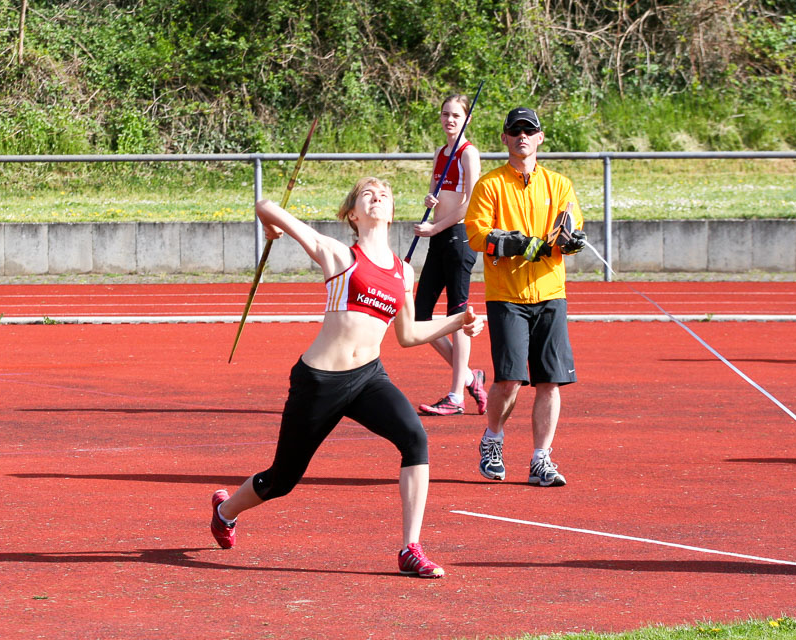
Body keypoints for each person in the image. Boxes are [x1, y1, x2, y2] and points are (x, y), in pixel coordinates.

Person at [210, 177, 484, 579]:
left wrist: (458, 321)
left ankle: (411, 548)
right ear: (353, 214)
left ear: (392, 213)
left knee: (414, 439)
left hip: (369, 378)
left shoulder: (404, 272)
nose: (378, 198)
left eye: (385, 194)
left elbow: (408, 336)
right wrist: (269, 226)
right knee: (282, 479)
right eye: (367, 195)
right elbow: (267, 203)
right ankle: (225, 510)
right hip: (319, 381)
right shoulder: (337, 253)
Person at [463, 106, 587, 488]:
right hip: (507, 295)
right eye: (515, 130)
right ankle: (493, 439)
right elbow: (476, 234)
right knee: (510, 381)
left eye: (528, 130)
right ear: (504, 138)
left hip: (551, 293)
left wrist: (571, 241)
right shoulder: (490, 184)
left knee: (550, 381)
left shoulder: (559, 184)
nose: (522, 136)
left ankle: (540, 458)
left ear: (540, 137)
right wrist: (515, 241)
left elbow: (571, 228)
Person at [414, 94, 488, 417]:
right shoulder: (440, 153)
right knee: (419, 317)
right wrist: (430, 202)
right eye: (445, 114)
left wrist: (435, 227)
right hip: (438, 238)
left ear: (466, 119)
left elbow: (469, 205)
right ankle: (470, 376)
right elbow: (436, 191)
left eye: (456, 115)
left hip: (458, 240)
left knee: (458, 317)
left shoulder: (467, 153)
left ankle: (456, 395)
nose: (450, 120)